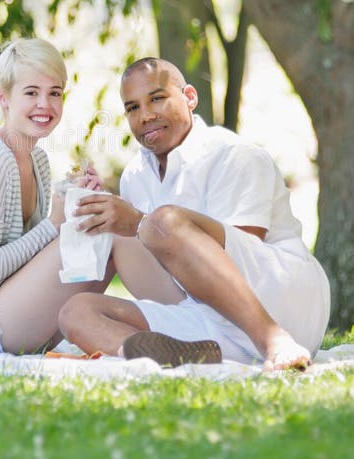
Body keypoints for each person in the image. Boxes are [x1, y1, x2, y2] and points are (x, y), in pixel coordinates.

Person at [58, 57, 331, 371]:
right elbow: (154, 258)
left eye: (157, 98)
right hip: (208, 319)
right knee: (76, 312)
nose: (145, 116)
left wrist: (138, 221)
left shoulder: (234, 155)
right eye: (132, 108)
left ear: (189, 97)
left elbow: (241, 256)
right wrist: (104, 206)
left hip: (281, 302)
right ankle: (182, 355)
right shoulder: (135, 175)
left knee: (161, 223)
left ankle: (274, 341)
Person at [0, 38, 107, 355]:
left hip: (9, 312)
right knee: (115, 234)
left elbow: (36, 257)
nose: (45, 104)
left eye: (55, 93)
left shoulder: (37, 160)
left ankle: (153, 332)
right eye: (31, 93)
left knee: (106, 226)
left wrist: (81, 204)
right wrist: (54, 223)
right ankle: (189, 322)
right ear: (3, 98)